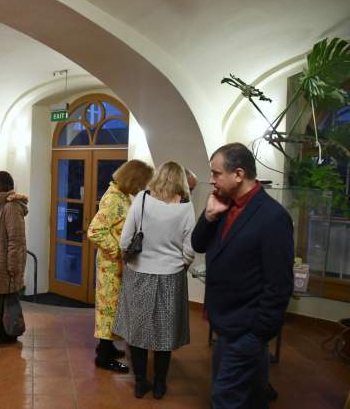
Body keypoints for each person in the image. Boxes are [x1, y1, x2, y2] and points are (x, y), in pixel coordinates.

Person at [191, 143, 294, 409]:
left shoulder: (272, 217)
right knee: (252, 397)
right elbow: (198, 244)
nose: (211, 180)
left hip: (247, 328)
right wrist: (209, 216)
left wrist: (258, 333)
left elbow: (279, 284)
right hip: (225, 323)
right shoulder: (223, 204)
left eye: (216, 173)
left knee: (225, 398)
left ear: (238, 174)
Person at [114, 161, 195, 400]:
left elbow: (125, 240)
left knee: (138, 330)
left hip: (139, 272)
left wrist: (131, 259)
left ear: (158, 177)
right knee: (164, 332)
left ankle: (141, 382)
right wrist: (179, 263)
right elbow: (190, 249)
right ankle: (160, 384)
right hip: (171, 276)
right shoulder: (186, 208)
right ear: (181, 180)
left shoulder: (141, 199)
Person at [87, 160, 153, 373]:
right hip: (111, 266)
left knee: (112, 309)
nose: (142, 187)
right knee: (109, 309)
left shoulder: (121, 196)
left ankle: (106, 347)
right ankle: (104, 357)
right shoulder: (114, 199)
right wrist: (119, 252)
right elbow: (95, 231)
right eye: (141, 182)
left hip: (115, 266)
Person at [0, 171, 28, 343]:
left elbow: (16, 240)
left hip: (4, 262)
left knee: (3, 298)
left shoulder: (11, 207)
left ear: (0, 185)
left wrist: (13, 266)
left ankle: (4, 333)